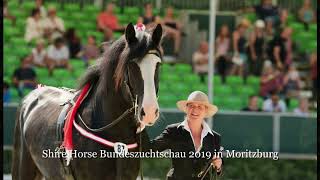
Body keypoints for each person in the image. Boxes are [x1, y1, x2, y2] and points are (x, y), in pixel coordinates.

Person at [141, 91, 223, 179]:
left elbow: (218, 170)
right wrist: (141, 126)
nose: (195, 110)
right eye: (191, 106)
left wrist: (218, 166)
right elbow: (149, 150)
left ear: (205, 111)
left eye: (200, 107)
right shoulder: (173, 131)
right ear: (186, 108)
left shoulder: (215, 138)